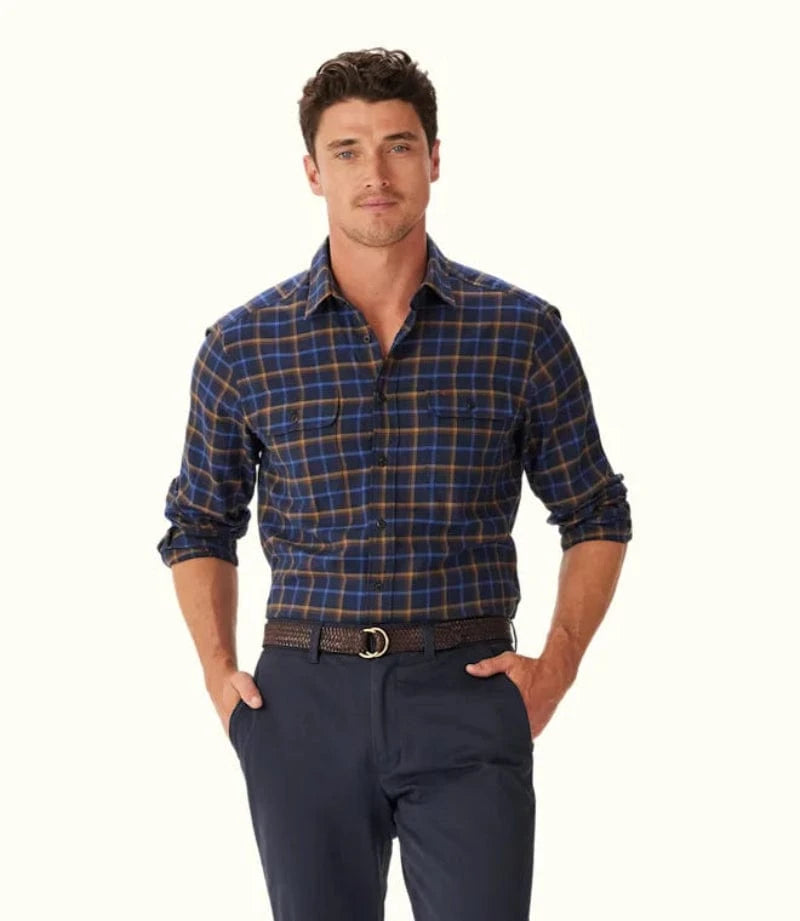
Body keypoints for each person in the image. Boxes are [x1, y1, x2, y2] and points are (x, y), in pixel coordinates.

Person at [156, 47, 632, 921]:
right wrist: (221, 677)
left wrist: (556, 667)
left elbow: (596, 509)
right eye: (347, 150)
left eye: (398, 146)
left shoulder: (520, 332)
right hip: (302, 698)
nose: (374, 174)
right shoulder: (243, 345)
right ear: (313, 172)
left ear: (434, 159)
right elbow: (198, 523)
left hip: (466, 687)